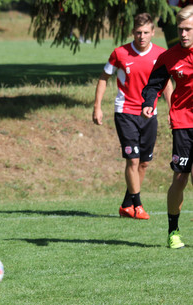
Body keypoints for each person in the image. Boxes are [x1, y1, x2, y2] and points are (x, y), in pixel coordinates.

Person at [92, 13, 173, 220]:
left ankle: (127, 204)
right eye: (138, 32)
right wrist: (97, 107)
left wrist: (172, 110)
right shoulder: (120, 53)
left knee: (144, 163)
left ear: (153, 32)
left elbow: (166, 85)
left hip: (149, 114)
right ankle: (138, 205)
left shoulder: (161, 55)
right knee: (133, 159)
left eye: (146, 32)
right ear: (133, 33)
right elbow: (103, 78)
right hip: (125, 112)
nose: (142, 36)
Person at [142, 5, 193, 249]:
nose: (183, 34)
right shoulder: (169, 57)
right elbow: (154, 85)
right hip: (183, 123)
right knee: (181, 178)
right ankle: (173, 231)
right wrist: (149, 102)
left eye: (188, 30)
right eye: (180, 29)